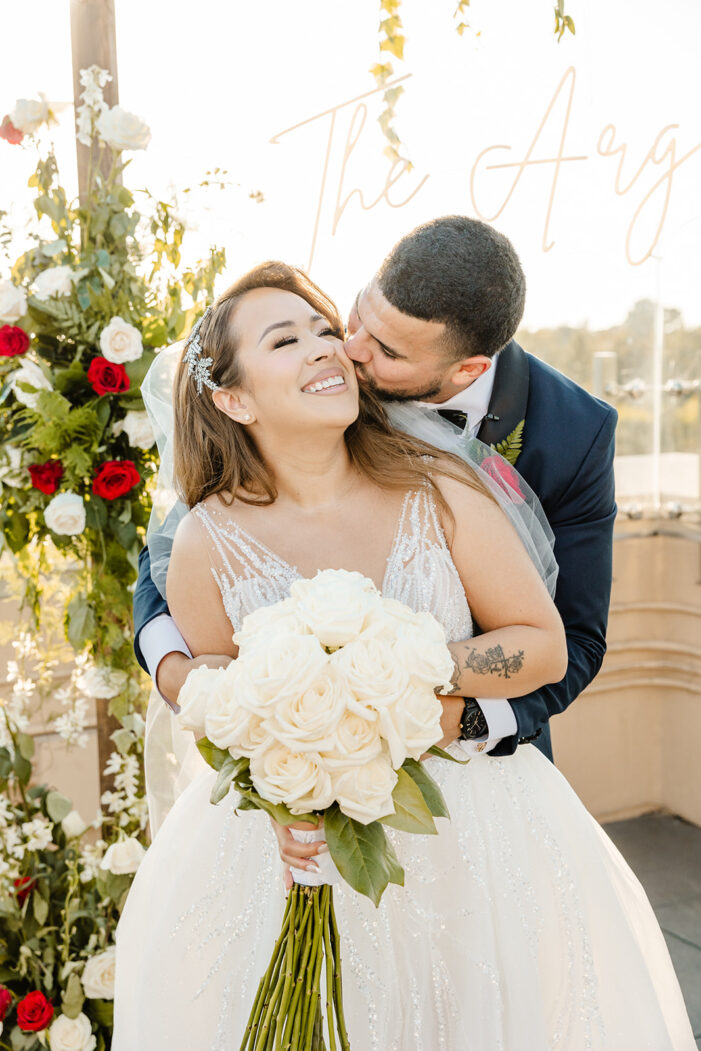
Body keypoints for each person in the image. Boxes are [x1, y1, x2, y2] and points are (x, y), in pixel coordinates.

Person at [112, 262, 695, 1049]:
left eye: (325, 331)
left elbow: (544, 644)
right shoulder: (205, 539)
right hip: (294, 851)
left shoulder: (439, 485)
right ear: (233, 398)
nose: (328, 348)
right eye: (288, 339)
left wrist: (387, 668)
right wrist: (286, 798)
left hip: (476, 827)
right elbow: (220, 705)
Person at [132, 217, 617, 763]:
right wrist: (179, 673)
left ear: (468, 370)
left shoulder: (547, 446)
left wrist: (433, 699)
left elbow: (570, 641)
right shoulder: (329, 361)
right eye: (354, 317)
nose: (348, 350)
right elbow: (170, 556)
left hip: (476, 763)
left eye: (384, 349)